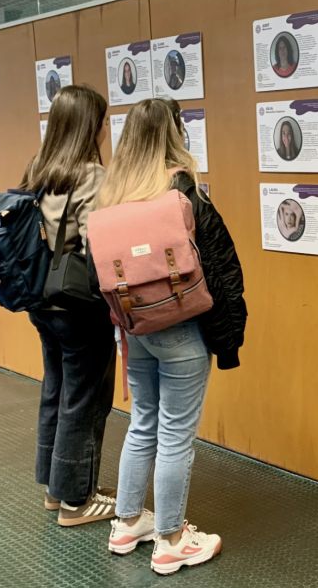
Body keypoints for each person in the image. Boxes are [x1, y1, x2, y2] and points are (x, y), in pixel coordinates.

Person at [96, 98, 247, 575]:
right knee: (176, 435)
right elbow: (221, 267)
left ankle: (126, 523)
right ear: (174, 132)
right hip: (180, 327)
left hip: (134, 328)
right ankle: (171, 539)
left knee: (143, 421)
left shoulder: (112, 193)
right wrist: (230, 334)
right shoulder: (182, 190)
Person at [20, 85, 117, 526]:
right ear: (87, 126)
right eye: (101, 119)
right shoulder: (90, 175)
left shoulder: (39, 169)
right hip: (78, 303)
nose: (104, 127)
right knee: (85, 398)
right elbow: (99, 242)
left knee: (56, 390)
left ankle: (54, 489)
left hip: (42, 299)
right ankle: (78, 500)